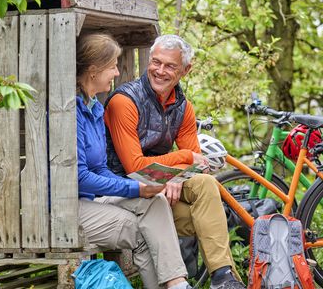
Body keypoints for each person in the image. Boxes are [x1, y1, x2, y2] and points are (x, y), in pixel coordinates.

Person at [104, 34, 245, 289]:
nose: (160, 71)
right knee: (206, 218)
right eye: (156, 62)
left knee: (205, 183)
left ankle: (224, 278)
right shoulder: (124, 102)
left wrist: (177, 175)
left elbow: (197, 164)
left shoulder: (183, 107)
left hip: (158, 193)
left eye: (170, 66)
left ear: (185, 70)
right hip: (125, 193)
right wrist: (182, 160)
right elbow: (136, 167)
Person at [76, 33, 193, 289]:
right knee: (142, 230)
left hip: (94, 198)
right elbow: (81, 176)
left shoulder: (95, 107)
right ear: (94, 71)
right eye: (112, 67)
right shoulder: (72, 111)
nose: (117, 73)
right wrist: (134, 187)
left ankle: (177, 284)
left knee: (155, 201)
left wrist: (145, 189)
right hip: (70, 208)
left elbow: (99, 168)